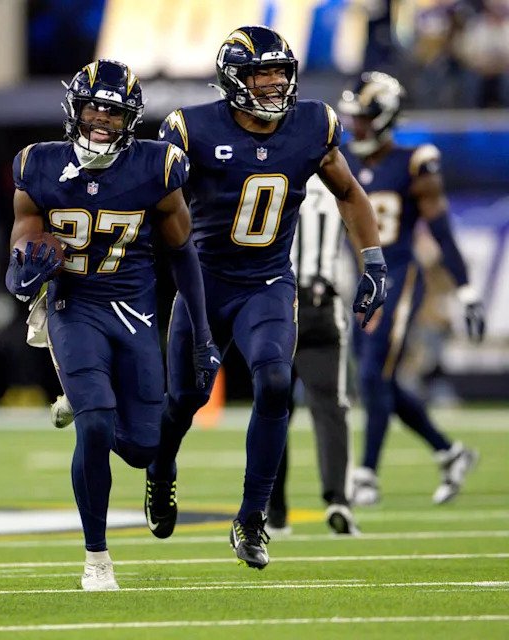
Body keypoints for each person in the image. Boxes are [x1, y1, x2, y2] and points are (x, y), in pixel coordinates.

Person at [150, 26, 386, 570]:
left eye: (281, 71)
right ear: (234, 78)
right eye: (263, 73)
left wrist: (372, 261)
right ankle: (161, 471)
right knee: (184, 399)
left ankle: (252, 518)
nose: (277, 82)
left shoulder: (311, 125)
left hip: (268, 282)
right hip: (204, 281)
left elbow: (349, 192)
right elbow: (157, 205)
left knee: (276, 381)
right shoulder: (191, 128)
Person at [6, 59, 218, 590]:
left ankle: (104, 415)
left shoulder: (157, 167)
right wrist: (23, 272)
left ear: (132, 119)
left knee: (143, 446)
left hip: (134, 310)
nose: (103, 118)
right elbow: (22, 238)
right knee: (96, 423)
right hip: (73, 306)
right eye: (95, 107)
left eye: (115, 111)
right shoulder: (38, 165)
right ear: (75, 109)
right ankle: (96, 558)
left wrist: (202, 330)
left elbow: (183, 253)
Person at [338, 71, 484, 506]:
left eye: (363, 118)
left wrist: (467, 290)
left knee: (371, 373)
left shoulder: (415, 161)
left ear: (384, 118)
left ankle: (365, 474)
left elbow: (440, 229)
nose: (355, 125)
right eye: (354, 117)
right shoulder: (340, 157)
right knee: (375, 381)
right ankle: (449, 451)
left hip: (400, 275)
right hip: (364, 280)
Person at [266, 175, 358, 537]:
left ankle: (274, 511)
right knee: (330, 407)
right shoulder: (342, 181)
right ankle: (338, 500)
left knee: (272, 408)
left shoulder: (275, 172)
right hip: (323, 302)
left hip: (277, 303)